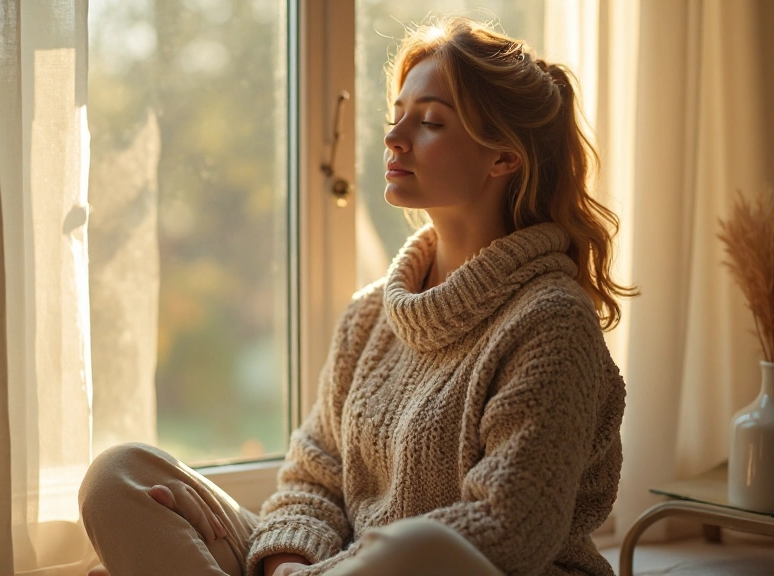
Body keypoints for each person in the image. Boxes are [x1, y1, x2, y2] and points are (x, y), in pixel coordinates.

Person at [79, 15, 633, 576]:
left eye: (431, 122)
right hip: (339, 567)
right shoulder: (370, 315)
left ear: (503, 157)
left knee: (413, 548)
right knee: (121, 476)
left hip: (462, 570)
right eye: (397, 117)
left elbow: (508, 531)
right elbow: (312, 480)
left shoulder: (551, 322)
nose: (394, 138)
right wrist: (287, 563)